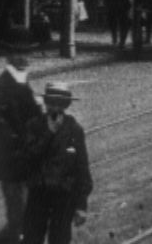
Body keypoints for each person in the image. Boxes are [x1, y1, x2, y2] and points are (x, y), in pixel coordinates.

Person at [0, 55, 42, 244]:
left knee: (25, 210)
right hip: (12, 159)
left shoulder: (20, 79)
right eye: (19, 55)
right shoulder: (4, 84)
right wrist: (12, 137)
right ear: (10, 59)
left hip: (26, 157)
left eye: (26, 55)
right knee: (18, 213)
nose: (24, 60)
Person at [22, 81, 93, 244]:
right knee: (31, 239)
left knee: (60, 239)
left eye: (60, 104)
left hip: (64, 197)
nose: (55, 108)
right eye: (51, 103)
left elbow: (82, 168)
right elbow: (27, 158)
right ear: (46, 103)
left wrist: (81, 205)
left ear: (66, 105)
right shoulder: (34, 126)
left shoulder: (74, 129)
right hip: (38, 195)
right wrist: (49, 133)